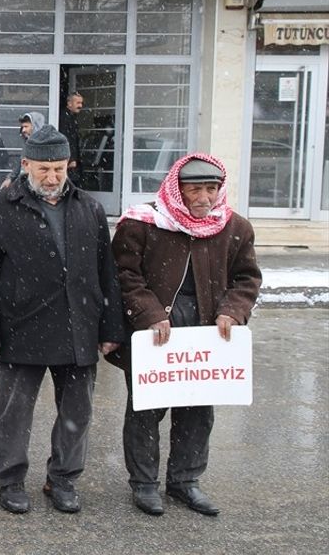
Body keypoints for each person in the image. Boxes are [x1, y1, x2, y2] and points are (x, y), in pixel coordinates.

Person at [0, 125, 123, 516]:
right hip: (20, 327)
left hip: (79, 326)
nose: (53, 177)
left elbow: (106, 272)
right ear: (26, 165)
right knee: (12, 413)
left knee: (77, 412)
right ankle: (10, 480)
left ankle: (63, 478)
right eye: (44, 169)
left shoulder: (89, 208)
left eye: (59, 168)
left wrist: (110, 327)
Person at [112, 154, 261, 518]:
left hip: (206, 327)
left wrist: (232, 310)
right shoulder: (143, 224)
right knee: (146, 408)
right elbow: (124, 275)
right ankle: (144, 483)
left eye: (211, 189)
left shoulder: (235, 227)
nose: (204, 198)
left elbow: (247, 278)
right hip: (155, 327)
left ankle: (185, 481)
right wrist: (149, 313)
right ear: (177, 189)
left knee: (198, 410)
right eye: (195, 189)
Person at [0, 111, 46, 189]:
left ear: (35, 126)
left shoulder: (44, 146)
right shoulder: (27, 143)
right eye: (22, 127)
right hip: (23, 185)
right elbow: (21, 163)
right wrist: (10, 178)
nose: (23, 130)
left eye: (26, 126)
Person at [59, 92, 85, 177]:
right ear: (69, 103)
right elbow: (67, 138)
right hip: (67, 160)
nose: (80, 106)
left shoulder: (71, 117)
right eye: (78, 103)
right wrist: (71, 159)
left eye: (81, 103)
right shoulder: (65, 118)